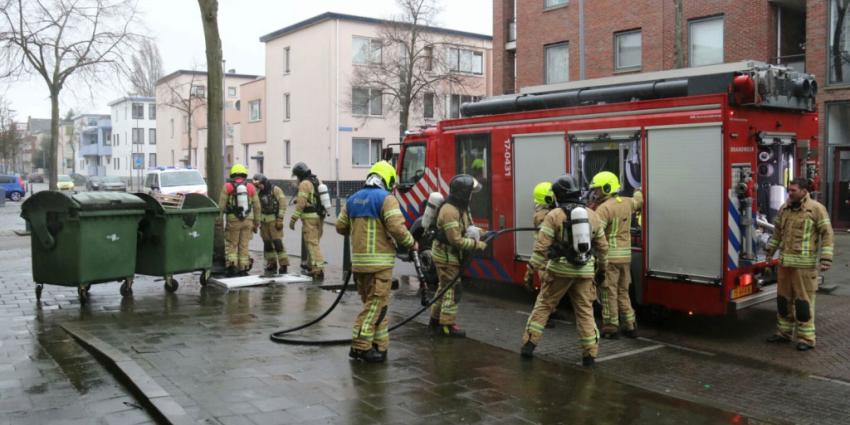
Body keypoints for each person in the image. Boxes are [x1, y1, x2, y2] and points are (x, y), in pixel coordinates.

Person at [520, 174, 608, 366]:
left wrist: (530, 271)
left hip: (559, 271)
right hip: (585, 272)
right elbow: (603, 248)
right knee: (585, 312)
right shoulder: (593, 215)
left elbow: (541, 248)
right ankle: (590, 355)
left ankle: (529, 345)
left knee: (544, 306)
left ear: (559, 195)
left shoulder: (553, 215)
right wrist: (602, 270)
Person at [336, 161, 416, 363]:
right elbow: (397, 228)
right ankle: (360, 347)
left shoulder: (353, 199)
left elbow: (340, 227)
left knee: (377, 306)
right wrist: (412, 243)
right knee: (375, 307)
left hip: (359, 265)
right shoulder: (386, 199)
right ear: (387, 180)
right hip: (380, 265)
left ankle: (379, 345)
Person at [765, 178, 833, 351]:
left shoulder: (816, 209)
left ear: (804, 191)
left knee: (803, 303)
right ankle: (784, 333)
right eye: (789, 190)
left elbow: (827, 234)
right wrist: (770, 252)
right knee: (783, 301)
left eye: (793, 190)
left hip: (804, 268)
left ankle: (807, 338)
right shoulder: (784, 209)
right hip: (785, 265)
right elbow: (777, 233)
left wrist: (826, 258)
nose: (790, 193)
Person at [430, 174, 488, 337]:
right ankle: (446, 326)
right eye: (470, 193)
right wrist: (477, 245)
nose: (471, 196)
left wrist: (483, 233)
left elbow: (467, 228)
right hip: (446, 257)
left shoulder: (460, 207)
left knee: (443, 289)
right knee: (453, 290)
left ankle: (435, 321)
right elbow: (455, 240)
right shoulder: (449, 211)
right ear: (463, 193)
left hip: (449, 256)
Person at [589, 171, 643, 339]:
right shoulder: (627, 202)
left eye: (598, 189)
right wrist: (639, 189)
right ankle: (630, 325)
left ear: (607, 188)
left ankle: (611, 327)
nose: (595, 193)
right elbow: (639, 201)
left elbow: (595, 233)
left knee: (608, 292)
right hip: (625, 257)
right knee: (623, 291)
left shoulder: (604, 209)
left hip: (610, 258)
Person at [218, 164, 261, 277]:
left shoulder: (227, 186)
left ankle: (232, 267)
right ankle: (243, 268)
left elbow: (221, 206)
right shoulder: (251, 187)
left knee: (232, 244)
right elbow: (257, 207)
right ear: (244, 175)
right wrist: (256, 223)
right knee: (244, 245)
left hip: (233, 220)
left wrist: (219, 220)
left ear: (232, 174)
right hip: (248, 220)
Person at [289, 162, 326, 279]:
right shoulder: (316, 180)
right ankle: (311, 265)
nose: (296, 179)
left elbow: (301, 204)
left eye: (297, 176)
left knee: (312, 243)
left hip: (310, 218)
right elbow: (313, 198)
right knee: (314, 242)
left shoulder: (304, 183)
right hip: (319, 216)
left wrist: (293, 219)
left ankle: (318, 269)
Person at [253, 173, 289, 276]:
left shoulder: (275, 190)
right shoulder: (258, 192)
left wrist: (280, 219)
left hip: (274, 221)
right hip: (264, 222)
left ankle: (284, 264)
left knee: (278, 243)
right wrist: (256, 222)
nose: (258, 187)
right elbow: (256, 207)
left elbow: (283, 204)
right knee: (267, 244)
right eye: (257, 185)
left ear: (264, 182)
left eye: (259, 185)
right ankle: (271, 263)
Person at [522, 181, 555, 291]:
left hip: (547, 267)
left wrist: (530, 271)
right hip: (562, 266)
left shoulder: (542, 217)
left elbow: (541, 247)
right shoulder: (559, 213)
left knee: (546, 299)